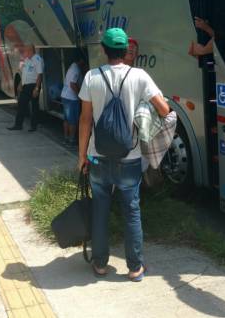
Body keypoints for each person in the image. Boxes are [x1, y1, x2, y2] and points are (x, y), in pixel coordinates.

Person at [78, 28, 170, 281]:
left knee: (100, 211)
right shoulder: (139, 76)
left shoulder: (91, 77)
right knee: (131, 211)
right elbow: (164, 109)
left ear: (104, 50)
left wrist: (82, 156)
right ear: (125, 51)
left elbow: (85, 120)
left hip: (97, 156)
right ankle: (135, 267)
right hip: (129, 158)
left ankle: (99, 264)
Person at [8, 44, 43, 131]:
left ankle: (33, 126)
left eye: (26, 50)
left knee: (34, 107)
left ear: (30, 50)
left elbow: (40, 75)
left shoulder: (37, 60)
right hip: (25, 86)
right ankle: (18, 125)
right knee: (21, 105)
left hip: (33, 85)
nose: (24, 52)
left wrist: (37, 88)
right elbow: (24, 73)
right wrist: (20, 84)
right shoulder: (27, 60)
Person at [61, 51, 87, 145]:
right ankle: (71, 139)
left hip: (65, 96)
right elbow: (73, 84)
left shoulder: (72, 66)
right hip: (71, 98)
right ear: (80, 60)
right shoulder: (76, 69)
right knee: (73, 120)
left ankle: (66, 138)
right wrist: (80, 95)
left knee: (66, 119)